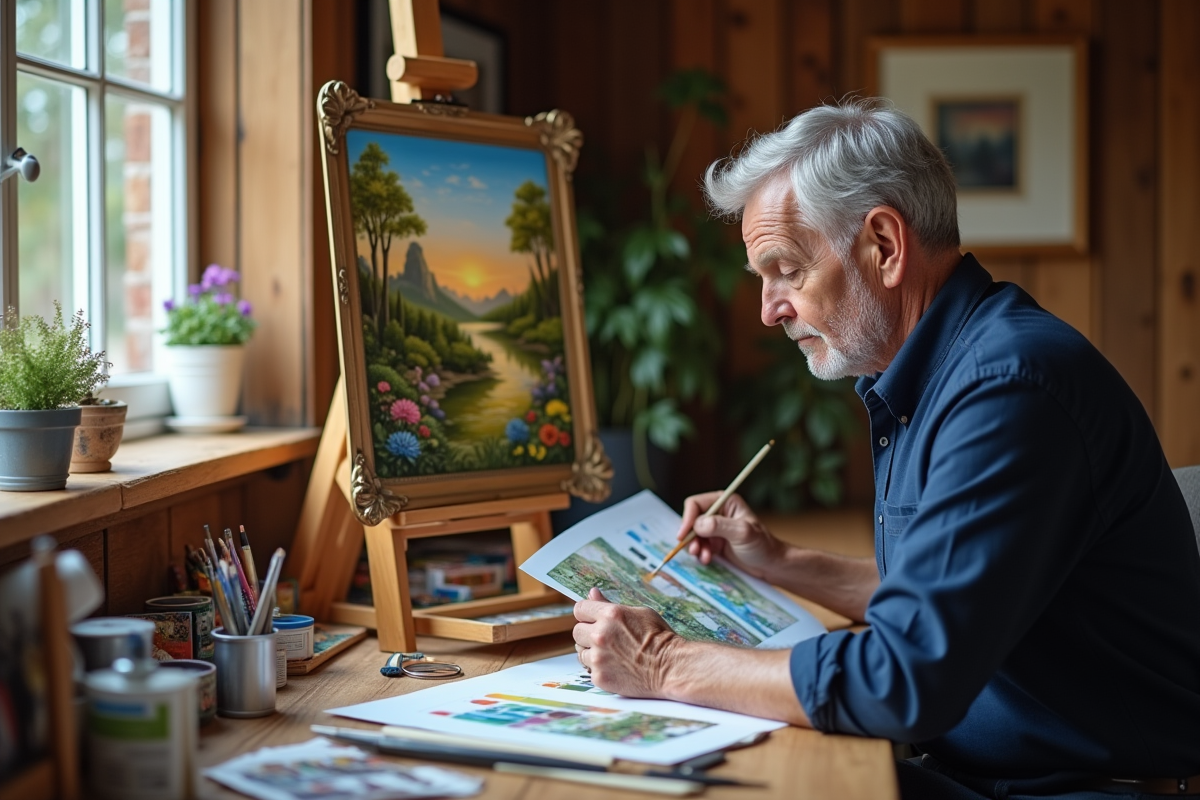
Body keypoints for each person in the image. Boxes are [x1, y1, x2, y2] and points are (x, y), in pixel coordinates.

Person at [571, 99, 1200, 799]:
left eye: (786, 269)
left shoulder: (1010, 388)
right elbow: (945, 603)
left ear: (885, 246)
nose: (768, 309)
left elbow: (906, 673)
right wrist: (780, 562)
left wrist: (661, 661)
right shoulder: (941, 370)